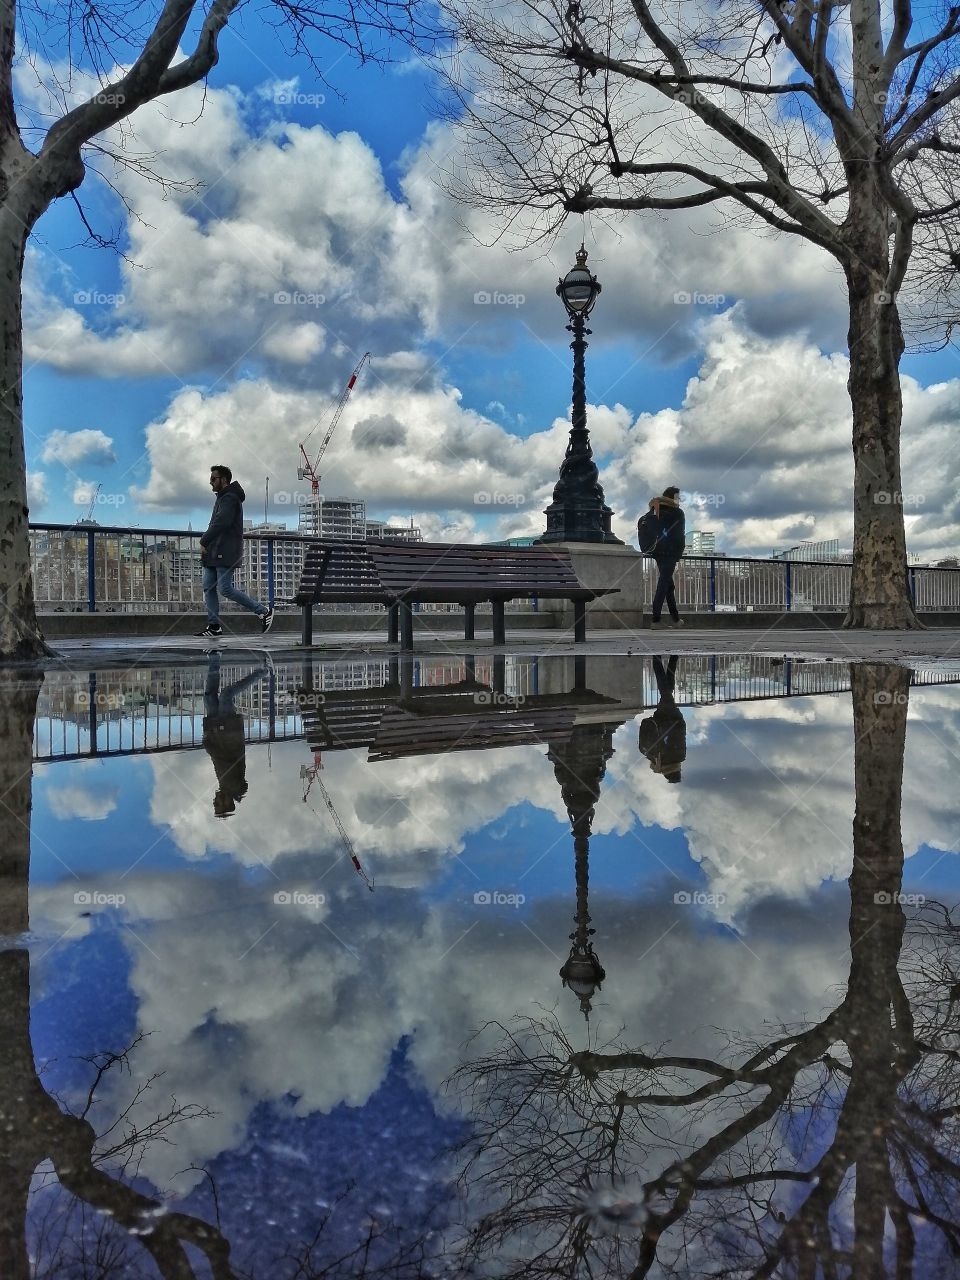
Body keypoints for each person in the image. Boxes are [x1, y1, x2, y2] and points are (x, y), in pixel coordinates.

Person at [197, 465, 274, 638]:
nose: (210, 482)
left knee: (224, 589)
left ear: (223, 480)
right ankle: (214, 626)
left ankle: (263, 611)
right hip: (214, 551)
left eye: (213, 478)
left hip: (225, 550)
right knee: (208, 587)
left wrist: (204, 540)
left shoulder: (230, 498)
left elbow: (222, 522)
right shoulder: (222, 497)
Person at [202, 652, 268, 817]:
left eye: (214, 804)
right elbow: (224, 759)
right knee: (225, 695)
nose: (214, 801)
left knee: (211, 696)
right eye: (217, 804)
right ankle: (263, 672)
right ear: (227, 803)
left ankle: (215, 658)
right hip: (226, 731)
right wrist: (208, 746)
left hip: (218, 731)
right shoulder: (231, 785)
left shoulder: (226, 786)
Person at [638, 655, 687, 784]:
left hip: (672, 720)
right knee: (666, 692)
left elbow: (679, 736)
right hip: (659, 721)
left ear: (677, 771)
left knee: (666, 692)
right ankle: (665, 659)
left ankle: (664, 659)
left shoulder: (679, 757)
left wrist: (679, 722)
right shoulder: (655, 760)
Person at [647, 486, 686, 628]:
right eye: (678, 497)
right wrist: (678, 553)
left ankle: (675, 620)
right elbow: (679, 535)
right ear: (673, 497)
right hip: (670, 552)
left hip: (657, 552)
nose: (679, 499)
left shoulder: (655, 509)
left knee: (668, 585)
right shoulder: (677, 512)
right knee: (664, 585)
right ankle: (655, 620)